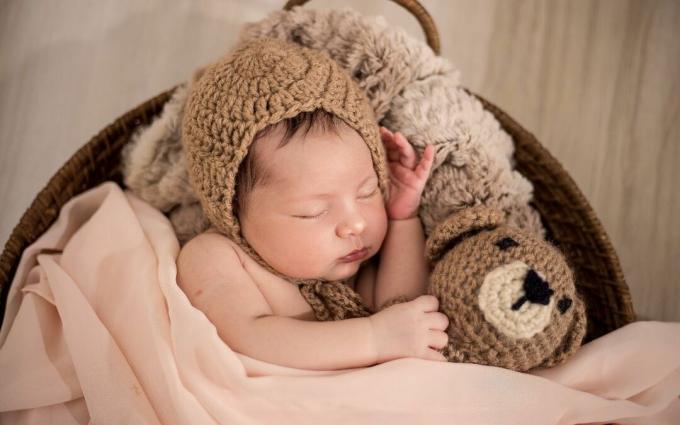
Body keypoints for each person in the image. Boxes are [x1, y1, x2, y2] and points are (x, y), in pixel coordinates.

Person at [176, 38, 448, 371]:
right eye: (313, 212)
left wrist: (403, 217)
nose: (355, 224)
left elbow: (405, 309)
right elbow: (249, 337)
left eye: (367, 191)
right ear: (230, 209)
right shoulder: (217, 258)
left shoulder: (352, 264)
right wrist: (374, 338)